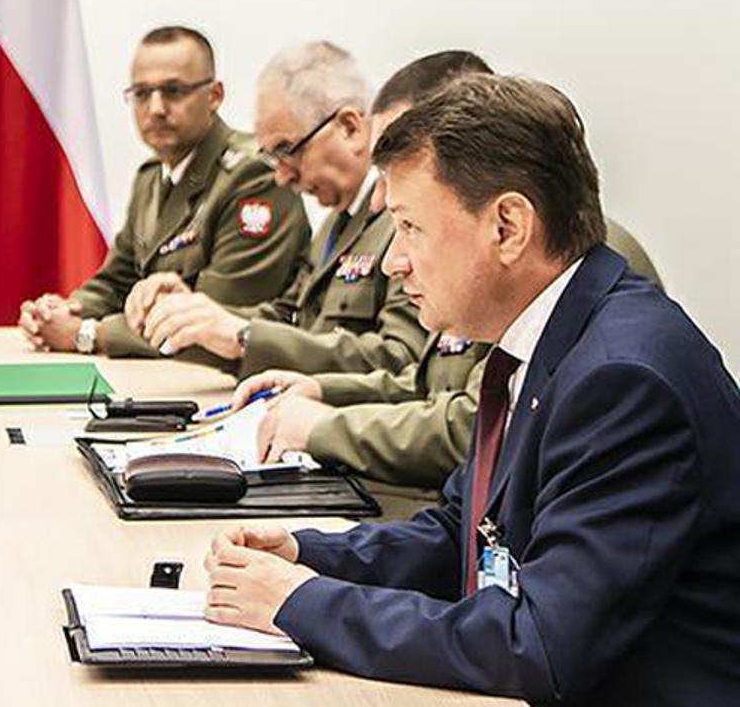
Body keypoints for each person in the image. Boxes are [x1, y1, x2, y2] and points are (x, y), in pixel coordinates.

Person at [203, 74, 740, 704]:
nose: (393, 261)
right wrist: (306, 554)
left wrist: (302, 603)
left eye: (410, 228)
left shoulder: (621, 380)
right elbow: (463, 532)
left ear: (508, 227)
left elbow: (538, 645)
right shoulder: (551, 338)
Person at [233, 51, 661, 517]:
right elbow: (428, 388)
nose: (378, 201)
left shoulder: (562, 269)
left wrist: (325, 428)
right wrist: (327, 391)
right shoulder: (471, 262)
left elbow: (476, 426)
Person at [116, 41, 425, 377]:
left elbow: (403, 358)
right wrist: (195, 316)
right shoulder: (336, 225)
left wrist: (243, 336)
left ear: (349, 127)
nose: (281, 176)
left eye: (286, 150)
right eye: (270, 157)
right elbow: (289, 318)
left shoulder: (404, 224)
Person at [18, 26, 308, 356]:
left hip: (233, 377)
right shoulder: (151, 178)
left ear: (214, 95)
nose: (155, 108)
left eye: (174, 91)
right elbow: (116, 281)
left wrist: (90, 334)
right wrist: (64, 312)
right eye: (142, 93)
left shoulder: (253, 176)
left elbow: (217, 319)